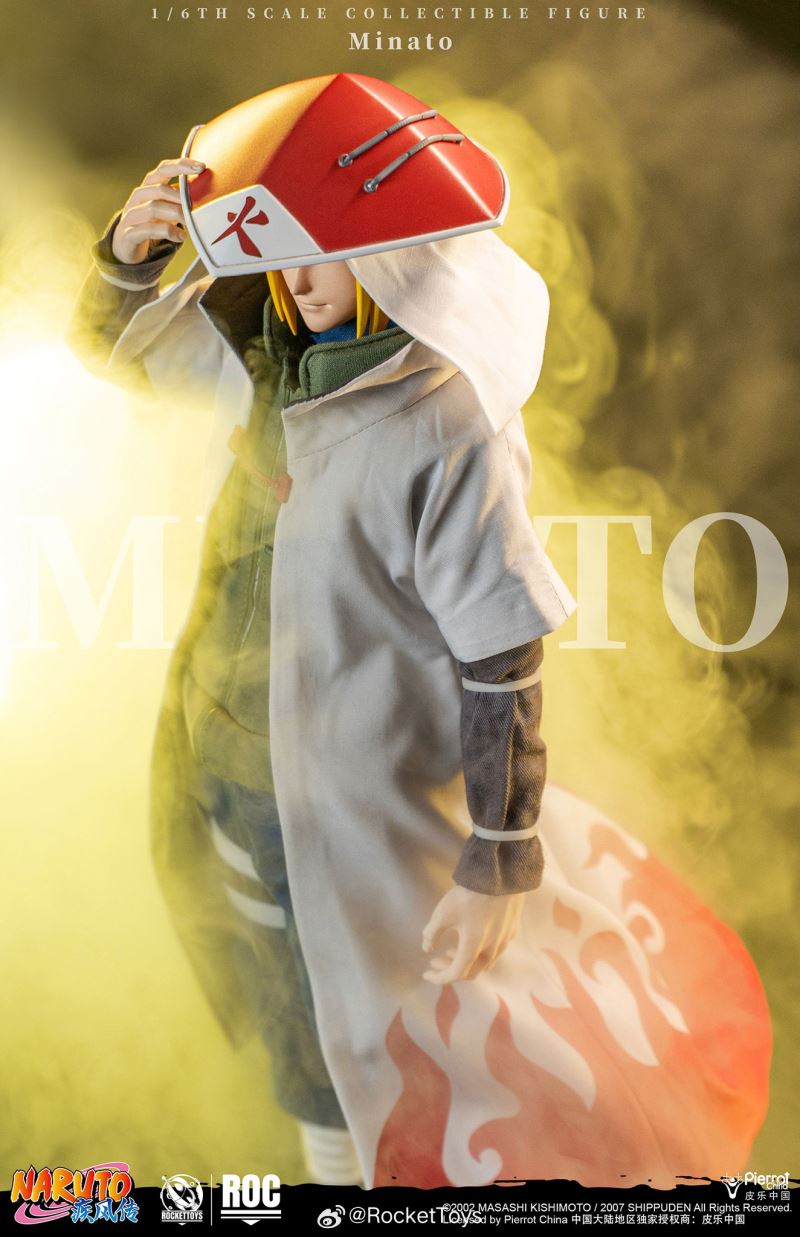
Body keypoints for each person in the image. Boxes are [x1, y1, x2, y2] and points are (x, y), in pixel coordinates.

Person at [68, 73, 772, 1191]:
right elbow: (118, 349)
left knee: (383, 1039)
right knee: (294, 1023)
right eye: (287, 250)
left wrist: (498, 855)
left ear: (394, 253)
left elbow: (501, 651)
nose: (300, 278)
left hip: (357, 798)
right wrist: (129, 254)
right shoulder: (260, 344)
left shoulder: (445, 422)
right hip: (225, 768)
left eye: (328, 251)